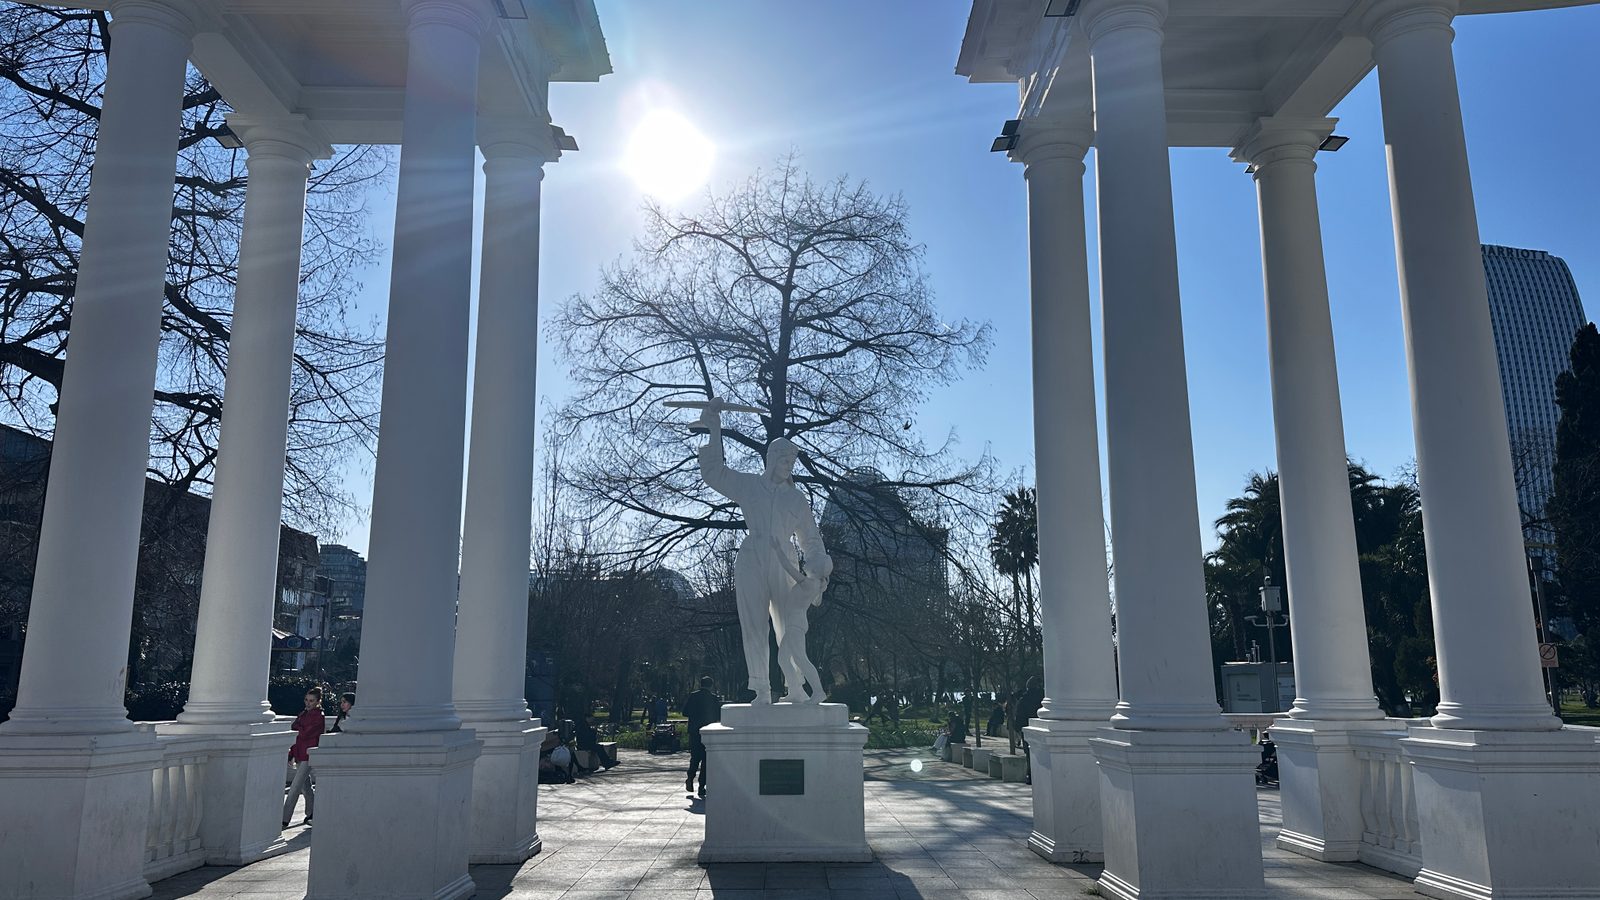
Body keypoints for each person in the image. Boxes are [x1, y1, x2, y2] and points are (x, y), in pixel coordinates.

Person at [283, 686, 325, 828]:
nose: (308, 703)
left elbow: (303, 733)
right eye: (306, 700)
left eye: (311, 701)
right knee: (305, 787)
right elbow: (296, 733)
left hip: (309, 755)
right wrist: (291, 754)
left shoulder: (319, 716)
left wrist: (298, 728)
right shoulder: (303, 714)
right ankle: (312, 812)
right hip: (300, 754)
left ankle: (284, 818)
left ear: (318, 701)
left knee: (295, 787)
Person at [683, 676, 722, 798]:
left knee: (695, 757)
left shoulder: (693, 696)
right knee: (706, 760)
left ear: (701, 684)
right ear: (711, 685)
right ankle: (701, 786)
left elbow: (685, 712)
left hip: (695, 732)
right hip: (709, 733)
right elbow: (718, 716)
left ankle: (690, 777)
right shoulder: (714, 698)